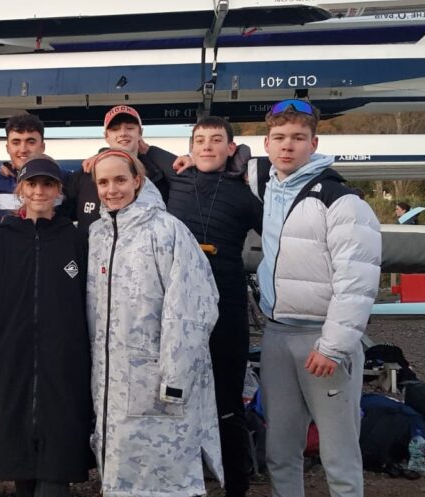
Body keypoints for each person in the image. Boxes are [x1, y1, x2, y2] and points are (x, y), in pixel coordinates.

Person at [257, 99, 381, 497]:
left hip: (321, 340)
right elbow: (217, 155)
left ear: (314, 143)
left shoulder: (341, 200)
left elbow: (357, 282)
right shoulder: (269, 188)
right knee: (279, 449)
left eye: (297, 138)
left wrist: (333, 346)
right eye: (279, 138)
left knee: (338, 452)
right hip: (277, 336)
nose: (287, 146)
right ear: (267, 144)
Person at [86, 149, 223, 496]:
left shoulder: (167, 231)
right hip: (109, 388)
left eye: (120, 179)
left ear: (137, 180)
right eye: (103, 182)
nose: (111, 189)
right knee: (119, 478)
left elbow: (192, 308)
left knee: (165, 481)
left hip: (157, 384)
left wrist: (175, 378)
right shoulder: (96, 236)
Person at [148, 116, 263, 497]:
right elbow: (138, 148)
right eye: (200, 140)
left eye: (217, 141)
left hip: (226, 301)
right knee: (173, 391)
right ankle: (178, 482)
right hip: (177, 303)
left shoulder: (245, 194)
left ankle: (237, 484)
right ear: (191, 147)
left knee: (227, 399)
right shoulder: (174, 177)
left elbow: (281, 236)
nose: (207, 147)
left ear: (231, 149)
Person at [0, 156, 92, 497]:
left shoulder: (77, 240)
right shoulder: (1, 241)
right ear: (21, 190)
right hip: (12, 365)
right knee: (21, 467)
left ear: (59, 191)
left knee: (56, 474)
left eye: (47, 184)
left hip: (62, 366)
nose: (39, 191)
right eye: (32, 184)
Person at [63, 105, 176, 234]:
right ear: (106, 136)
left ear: (140, 133)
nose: (123, 133)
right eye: (115, 129)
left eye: (130, 128)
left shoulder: (160, 177)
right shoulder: (85, 174)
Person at [0, 114, 48, 224]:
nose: (23, 149)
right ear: (8, 148)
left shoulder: (62, 179)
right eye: (16, 142)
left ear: (42, 147)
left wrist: (90, 160)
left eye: (31, 142)